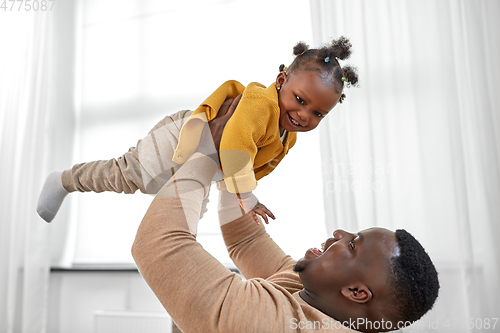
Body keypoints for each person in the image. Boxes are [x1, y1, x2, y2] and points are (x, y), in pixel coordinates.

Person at [131, 100, 440, 333]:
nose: (339, 233)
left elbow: (157, 245)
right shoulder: (310, 293)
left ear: (356, 292)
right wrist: (237, 152)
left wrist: (207, 150)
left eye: (352, 245)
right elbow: (246, 239)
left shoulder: (279, 325)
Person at [36, 36, 359, 226]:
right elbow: (235, 146)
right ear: (280, 82)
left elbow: (252, 165)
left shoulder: (288, 135)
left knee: (184, 225)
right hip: (179, 141)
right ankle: (64, 180)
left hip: (203, 167)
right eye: (300, 100)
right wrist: (246, 195)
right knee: (124, 176)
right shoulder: (262, 102)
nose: (304, 115)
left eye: (318, 113)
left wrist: (238, 198)